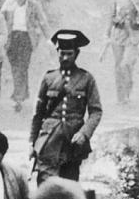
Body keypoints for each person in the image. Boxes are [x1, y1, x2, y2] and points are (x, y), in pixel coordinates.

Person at [29, 30, 103, 183]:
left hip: (72, 143)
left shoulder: (86, 79)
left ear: (76, 54)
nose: (65, 58)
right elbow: (38, 114)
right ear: (57, 52)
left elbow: (96, 112)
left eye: (69, 54)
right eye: (62, 53)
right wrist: (32, 142)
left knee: (69, 187)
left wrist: (84, 134)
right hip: (48, 140)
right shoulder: (49, 78)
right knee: (45, 186)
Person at [0, 0, 46, 113]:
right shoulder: (8, 4)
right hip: (12, 38)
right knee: (16, 67)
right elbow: (0, 19)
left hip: (26, 38)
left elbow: (42, 21)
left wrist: (48, 39)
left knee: (22, 66)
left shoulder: (33, 5)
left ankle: (18, 97)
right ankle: (23, 93)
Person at [107, 0, 139, 106]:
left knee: (127, 64)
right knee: (118, 66)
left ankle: (127, 92)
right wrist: (107, 33)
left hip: (132, 36)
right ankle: (120, 97)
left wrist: (136, 3)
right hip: (118, 35)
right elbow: (111, 16)